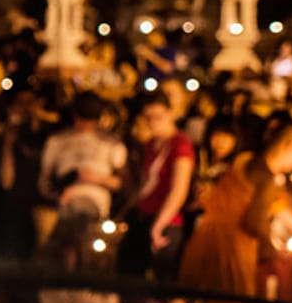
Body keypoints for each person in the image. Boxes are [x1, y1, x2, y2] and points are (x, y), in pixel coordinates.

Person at [179, 123, 292, 303]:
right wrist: (269, 246)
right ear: (287, 146)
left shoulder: (247, 160)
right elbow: (254, 221)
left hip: (205, 236)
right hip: (233, 246)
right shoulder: (267, 178)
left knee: (201, 302)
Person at [37, 92, 125, 271]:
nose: (85, 125)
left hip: (97, 206)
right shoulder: (57, 141)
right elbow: (44, 181)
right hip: (65, 201)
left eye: (90, 120)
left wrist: (97, 178)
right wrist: (54, 194)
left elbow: (121, 184)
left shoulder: (111, 144)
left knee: (85, 232)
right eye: (82, 119)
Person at [118, 92, 195, 283]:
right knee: (127, 274)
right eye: (148, 117)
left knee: (160, 282)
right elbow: (146, 183)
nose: (153, 122)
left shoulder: (180, 145)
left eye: (158, 117)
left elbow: (179, 190)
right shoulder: (152, 144)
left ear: (170, 113)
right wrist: (125, 211)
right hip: (143, 215)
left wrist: (159, 225)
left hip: (166, 221)